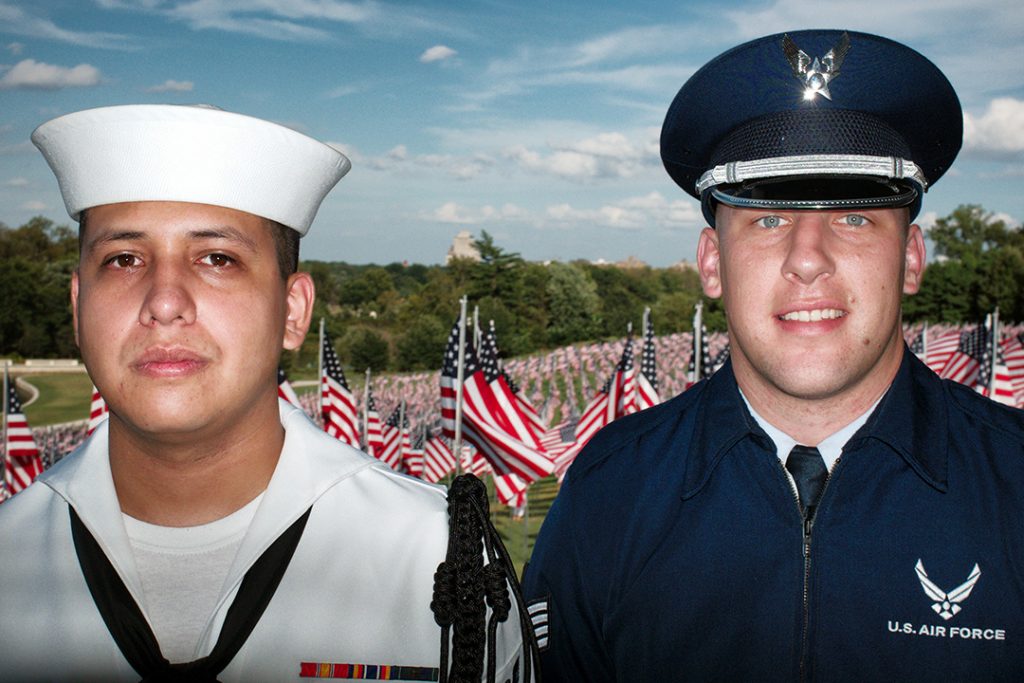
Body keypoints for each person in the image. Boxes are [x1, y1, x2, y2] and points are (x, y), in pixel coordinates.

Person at [523, 29, 1024, 681]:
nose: (808, 258)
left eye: (854, 218)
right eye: (767, 219)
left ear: (911, 258)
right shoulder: (610, 491)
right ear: (710, 262)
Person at [0, 104, 534, 682]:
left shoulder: (433, 558)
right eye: (124, 259)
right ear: (78, 306)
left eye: (217, 259)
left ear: (293, 310)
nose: (164, 301)